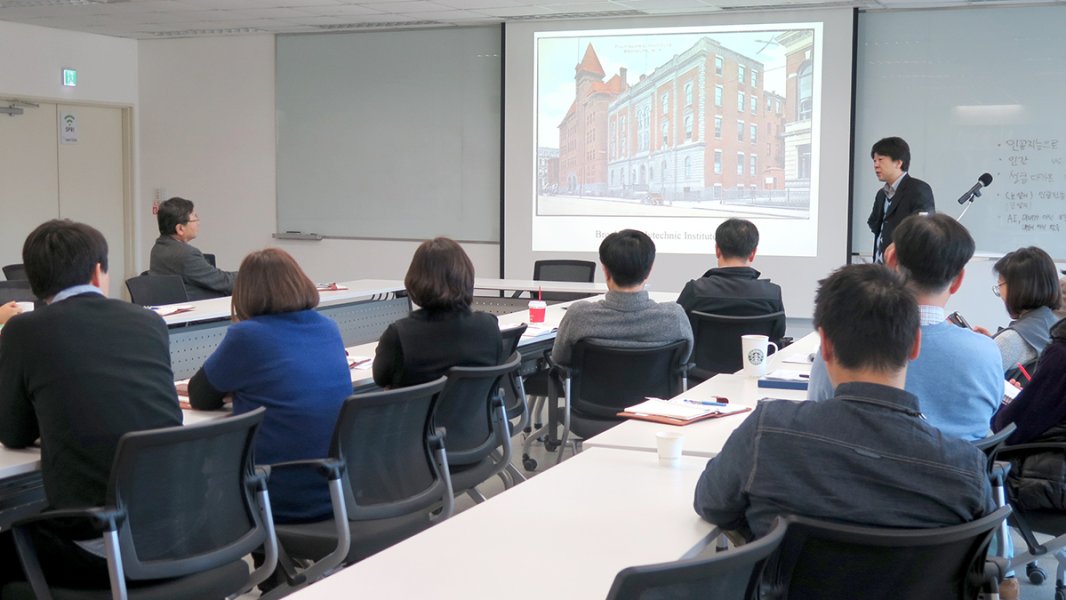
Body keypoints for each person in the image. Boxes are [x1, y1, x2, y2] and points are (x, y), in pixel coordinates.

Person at [694, 264, 993, 543]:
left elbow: (712, 504)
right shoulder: (966, 470)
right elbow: (987, 567)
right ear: (915, 344)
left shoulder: (766, 432)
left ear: (824, 345)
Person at [0, 219, 182, 588]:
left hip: (101, 546)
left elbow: (13, 433)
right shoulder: (148, 322)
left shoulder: (24, 331)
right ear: (98, 272)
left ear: (34, 282)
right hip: (183, 531)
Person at [188, 248, 351, 524]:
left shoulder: (247, 336)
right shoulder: (328, 327)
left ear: (246, 293)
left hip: (277, 492)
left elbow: (200, 396)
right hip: (338, 489)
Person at [806, 214, 1002, 441]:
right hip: (959, 473)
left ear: (891, 260)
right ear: (958, 280)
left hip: (859, 472)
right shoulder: (987, 352)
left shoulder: (845, 342)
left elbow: (818, 413)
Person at [551, 229, 693, 367]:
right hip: (658, 392)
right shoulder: (674, 317)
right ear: (648, 271)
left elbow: (559, 359)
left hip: (591, 391)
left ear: (606, 271)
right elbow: (683, 360)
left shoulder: (579, 315)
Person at [373, 237, 502, 388]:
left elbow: (381, 379)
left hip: (416, 412)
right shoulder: (488, 326)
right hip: (473, 412)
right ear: (467, 277)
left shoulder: (399, 335)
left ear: (415, 279)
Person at [675, 218, 785, 342]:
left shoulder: (695, 290)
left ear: (717, 250)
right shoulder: (772, 293)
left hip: (702, 362)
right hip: (755, 361)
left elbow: (675, 331)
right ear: (753, 253)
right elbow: (777, 336)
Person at [974, 246, 1061, 378]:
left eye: (1000, 285)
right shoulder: (1055, 327)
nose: (1000, 294)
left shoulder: (1011, 339)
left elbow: (974, 380)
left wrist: (997, 344)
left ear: (1017, 287)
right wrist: (993, 343)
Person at [150, 196, 236, 300]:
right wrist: (252, 275)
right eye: (195, 218)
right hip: (199, 309)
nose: (198, 223)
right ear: (180, 228)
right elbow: (223, 282)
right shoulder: (186, 255)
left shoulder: (158, 248)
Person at [866, 137, 935, 263]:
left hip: (905, 267)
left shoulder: (918, 188)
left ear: (898, 163)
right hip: (881, 267)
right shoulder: (881, 194)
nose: (876, 165)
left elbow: (923, 227)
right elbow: (874, 223)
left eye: (880, 160)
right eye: (874, 160)